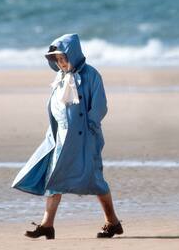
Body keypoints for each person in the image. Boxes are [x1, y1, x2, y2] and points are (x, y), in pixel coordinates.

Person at [11, 33, 123, 239]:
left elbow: (99, 106)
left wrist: (90, 125)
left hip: (85, 139)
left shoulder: (91, 75)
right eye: (58, 60)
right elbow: (56, 106)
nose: (62, 63)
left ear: (75, 55)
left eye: (65, 58)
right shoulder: (61, 77)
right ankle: (47, 225)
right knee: (54, 179)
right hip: (61, 139)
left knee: (95, 180)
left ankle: (112, 221)